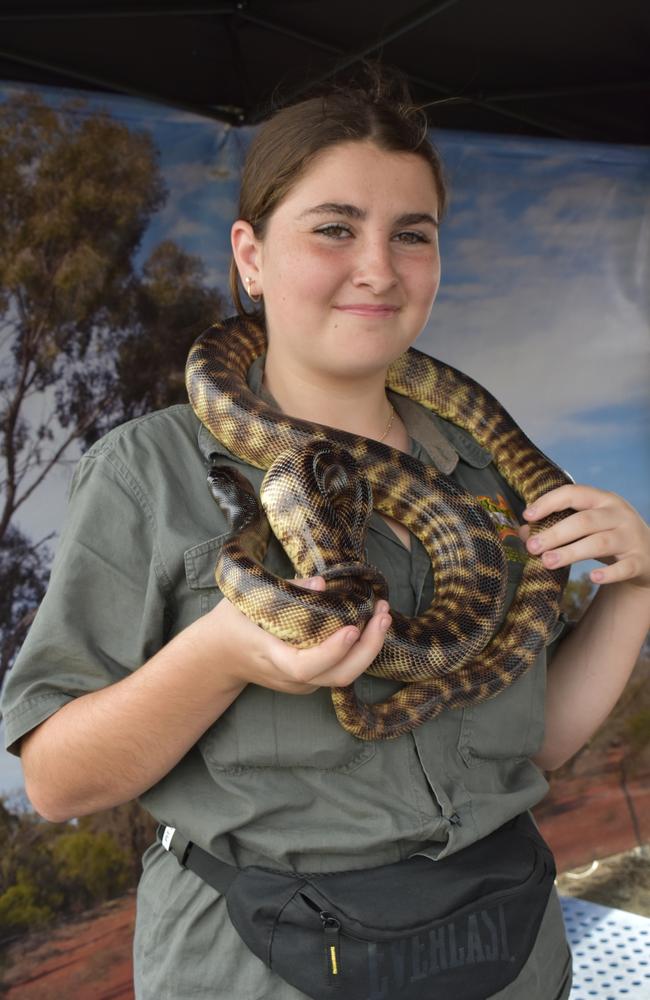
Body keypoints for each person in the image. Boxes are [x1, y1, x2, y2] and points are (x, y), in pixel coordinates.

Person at [2, 72, 649, 1000]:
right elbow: (59, 782)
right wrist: (223, 655)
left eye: (411, 235)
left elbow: (529, 748)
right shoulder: (150, 471)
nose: (378, 268)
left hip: (506, 949)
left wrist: (635, 585)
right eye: (334, 228)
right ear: (251, 255)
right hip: (261, 966)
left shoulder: (488, 472)